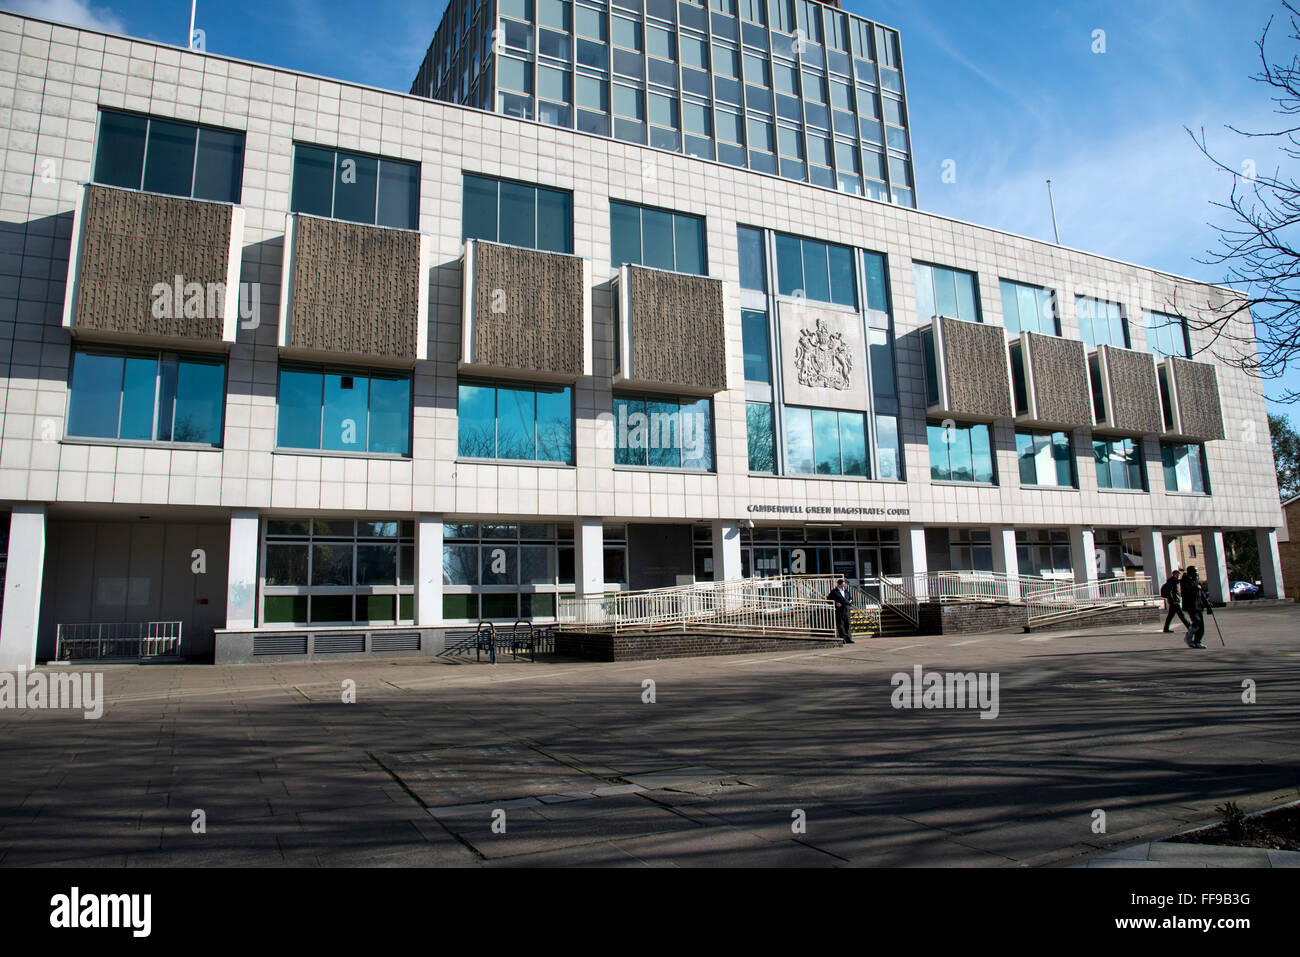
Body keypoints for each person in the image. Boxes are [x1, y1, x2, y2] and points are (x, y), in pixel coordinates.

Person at [1180, 566, 1207, 648]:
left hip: (1198, 605)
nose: (1196, 574)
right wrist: (1194, 588)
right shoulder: (1185, 581)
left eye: (1196, 572)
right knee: (1196, 622)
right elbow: (1185, 592)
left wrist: (1207, 602)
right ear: (1190, 573)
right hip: (1190, 605)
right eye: (1194, 572)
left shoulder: (1196, 581)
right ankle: (1188, 637)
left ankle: (1197, 641)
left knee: (1201, 625)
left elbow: (1201, 593)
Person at [1161, 569, 1190, 633]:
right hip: (1174, 601)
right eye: (1178, 574)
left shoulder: (1175, 581)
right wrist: (1172, 600)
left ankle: (1166, 628)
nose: (1179, 575)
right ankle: (1189, 627)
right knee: (1181, 615)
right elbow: (1169, 591)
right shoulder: (1172, 581)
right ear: (1174, 574)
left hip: (1174, 601)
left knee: (1170, 616)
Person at [827, 578, 854, 644]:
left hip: (846, 609)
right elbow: (828, 599)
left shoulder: (846, 591)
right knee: (840, 624)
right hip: (839, 610)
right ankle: (843, 638)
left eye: (844, 584)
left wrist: (850, 601)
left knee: (847, 624)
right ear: (839, 584)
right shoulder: (834, 592)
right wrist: (836, 603)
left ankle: (848, 638)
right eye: (842, 584)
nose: (843, 586)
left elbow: (850, 598)